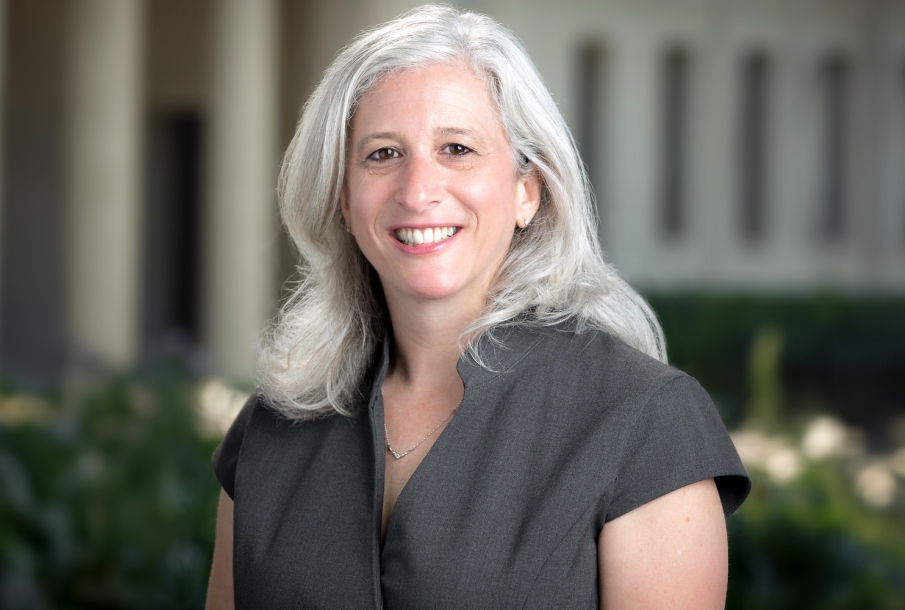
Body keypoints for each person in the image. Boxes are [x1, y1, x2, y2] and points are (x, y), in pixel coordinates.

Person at [206, 5, 750, 609]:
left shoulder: (646, 424)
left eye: (458, 148)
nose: (417, 192)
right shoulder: (273, 426)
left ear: (527, 192)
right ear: (343, 198)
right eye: (383, 154)